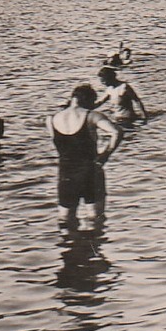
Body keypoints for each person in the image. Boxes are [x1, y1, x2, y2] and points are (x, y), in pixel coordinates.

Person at [49, 84, 122, 230]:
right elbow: (117, 132)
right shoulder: (91, 116)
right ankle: (94, 247)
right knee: (95, 218)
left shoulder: (51, 119)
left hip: (66, 173)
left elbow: (58, 145)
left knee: (65, 218)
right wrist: (105, 155)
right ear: (88, 100)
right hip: (91, 170)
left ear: (72, 98)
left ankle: (69, 247)